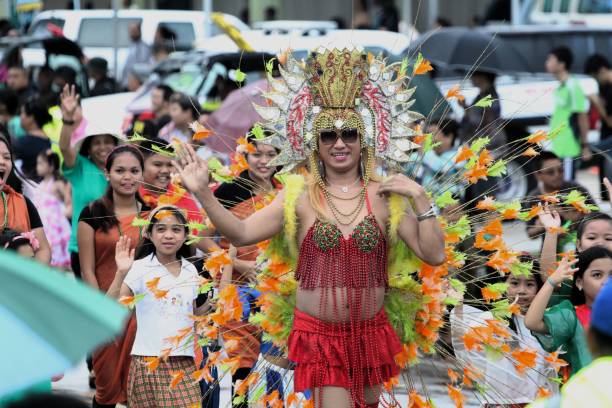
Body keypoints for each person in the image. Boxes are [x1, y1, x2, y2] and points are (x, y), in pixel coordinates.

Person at [173, 48, 446, 407]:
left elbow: (434, 254)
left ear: (363, 139)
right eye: (327, 136)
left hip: (371, 334)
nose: (339, 143)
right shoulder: (298, 196)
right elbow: (240, 234)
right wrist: (202, 195)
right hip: (319, 336)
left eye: (349, 134)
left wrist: (421, 199)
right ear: (312, 144)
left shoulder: (385, 195)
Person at [107, 206, 207, 407]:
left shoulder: (192, 271)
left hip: (184, 362)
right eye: (161, 229)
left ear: (186, 234)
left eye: (176, 230)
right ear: (148, 234)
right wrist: (121, 273)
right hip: (147, 361)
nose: (168, 235)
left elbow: (197, 316)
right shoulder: (139, 268)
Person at [212, 133, 281, 406]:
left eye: (270, 155)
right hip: (237, 288)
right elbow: (201, 236)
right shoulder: (230, 191)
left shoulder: (287, 191)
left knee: (276, 363)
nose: (263, 161)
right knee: (243, 362)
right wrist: (237, 263)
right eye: (257, 154)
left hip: (276, 289)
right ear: (245, 156)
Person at [77, 144, 149, 407]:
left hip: (142, 314)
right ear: (107, 173)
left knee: (137, 389)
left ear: (142, 174)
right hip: (105, 309)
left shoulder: (152, 216)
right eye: (120, 170)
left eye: (134, 170)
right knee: (106, 390)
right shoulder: (92, 213)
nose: (127, 177)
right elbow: (87, 269)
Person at [450, 254, 559, 404]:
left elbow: (551, 371)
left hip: (535, 403)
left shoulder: (545, 323)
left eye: (529, 284)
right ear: (503, 285)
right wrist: (458, 308)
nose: (522, 290)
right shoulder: (490, 321)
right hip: (498, 403)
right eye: (514, 283)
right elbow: (463, 349)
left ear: (539, 289)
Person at [58, 84, 118, 277]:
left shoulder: (123, 170)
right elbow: (65, 147)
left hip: (115, 246)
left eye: (108, 141)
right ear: (89, 148)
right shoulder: (80, 167)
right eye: (97, 142)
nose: (103, 147)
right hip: (82, 247)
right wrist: (68, 120)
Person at [525, 246, 612, 377]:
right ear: (579, 282)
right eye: (597, 275)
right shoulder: (571, 316)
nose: (606, 282)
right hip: (587, 394)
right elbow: (532, 322)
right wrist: (551, 281)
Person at [528, 279, 612, 408]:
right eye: (597, 275)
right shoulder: (571, 315)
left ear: (589, 335)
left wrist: (551, 280)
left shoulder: (558, 403)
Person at [538, 210, 612, 306]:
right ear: (578, 244)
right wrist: (551, 230)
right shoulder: (571, 270)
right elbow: (548, 277)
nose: (600, 243)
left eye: (608, 238)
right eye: (592, 238)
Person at [0, 131, 51, 264]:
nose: (2, 162)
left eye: (6, 157)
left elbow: (43, 249)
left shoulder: (23, 202)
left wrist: (34, 275)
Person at [525, 151, 594, 246]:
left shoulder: (576, 189)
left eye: (561, 170)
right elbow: (530, 234)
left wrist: (576, 217)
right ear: (538, 175)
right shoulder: (533, 197)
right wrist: (542, 225)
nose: (557, 175)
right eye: (550, 172)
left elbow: (598, 216)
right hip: (551, 251)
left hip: (580, 247)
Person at [545, 46, 590, 180]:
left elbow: (582, 116)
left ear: (562, 64)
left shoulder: (573, 86)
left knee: (567, 185)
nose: (546, 63)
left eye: (550, 60)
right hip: (558, 146)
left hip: (569, 146)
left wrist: (585, 146)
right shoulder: (560, 86)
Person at [138, 138, 202, 225]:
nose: (165, 170)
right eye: (157, 164)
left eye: (169, 165)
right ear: (140, 165)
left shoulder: (182, 196)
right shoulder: (130, 195)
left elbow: (199, 235)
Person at [33, 150, 72, 269]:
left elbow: (68, 202)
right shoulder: (38, 185)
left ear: (51, 166)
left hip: (56, 225)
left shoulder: (58, 184)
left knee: (57, 253)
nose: (38, 167)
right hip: (43, 224)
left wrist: (66, 211)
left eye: (41, 163)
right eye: (37, 163)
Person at [584, 54, 612, 201]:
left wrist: (596, 102)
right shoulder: (606, 87)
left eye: (594, 76)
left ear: (601, 70)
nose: (595, 80)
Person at [459, 71, 505, 153]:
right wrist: (465, 106)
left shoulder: (489, 97)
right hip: (487, 143)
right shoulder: (483, 95)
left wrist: (466, 109)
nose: (471, 78)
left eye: (473, 75)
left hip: (489, 145)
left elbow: (481, 121)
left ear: (482, 77)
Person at [14, 98, 52, 179]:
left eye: (22, 113)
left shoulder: (22, 143)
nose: (20, 116)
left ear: (31, 117)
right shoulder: (49, 140)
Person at [121, 22, 152, 89]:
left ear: (139, 31)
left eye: (134, 31)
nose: (132, 33)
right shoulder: (133, 46)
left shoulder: (143, 47)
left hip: (136, 84)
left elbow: (141, 66)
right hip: (128, 83)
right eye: (130, 31)